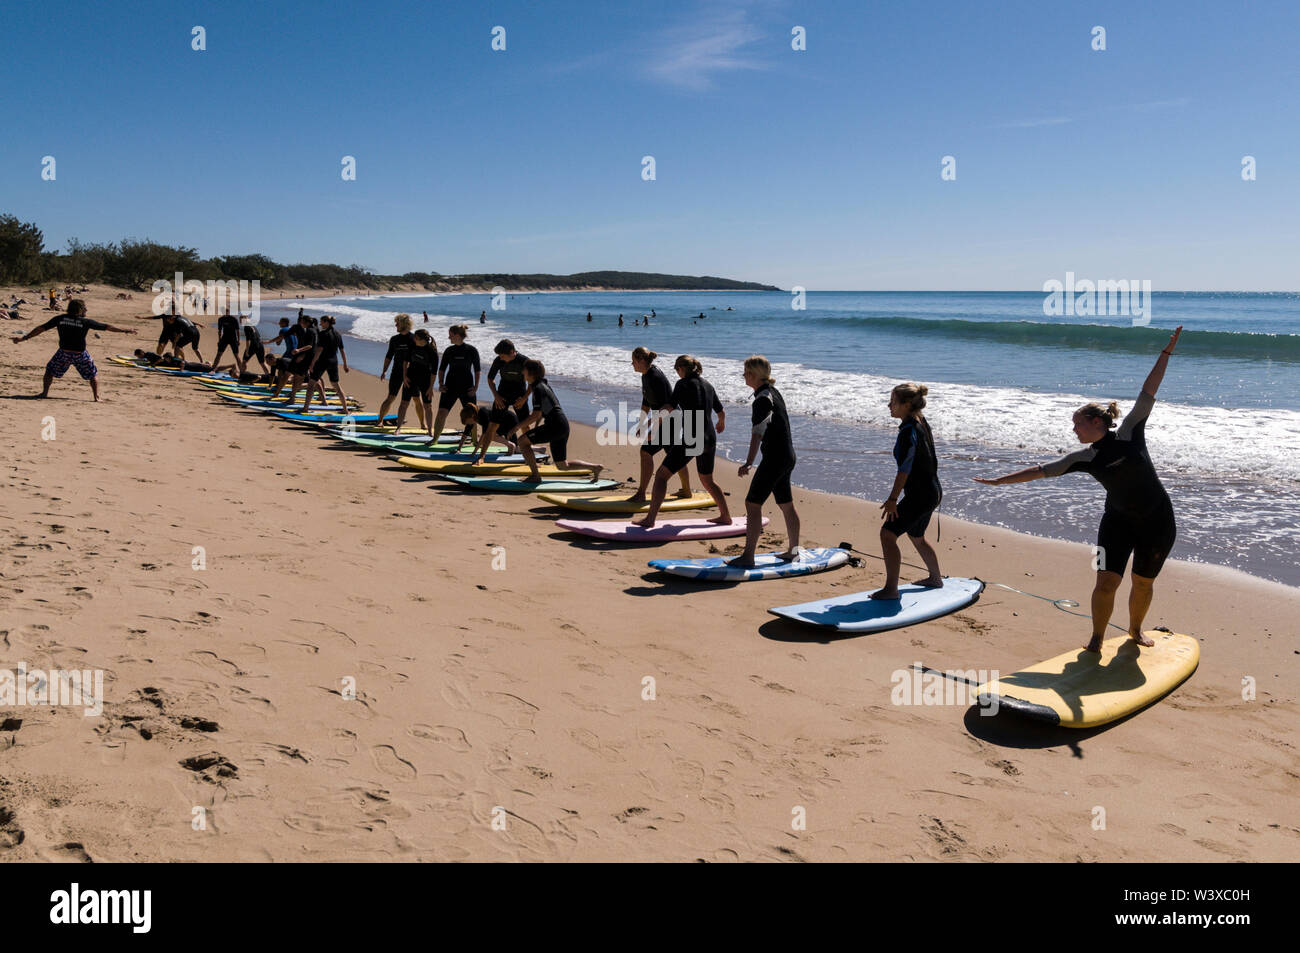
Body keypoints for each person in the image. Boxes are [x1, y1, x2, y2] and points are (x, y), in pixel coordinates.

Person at [974, 327, 1183, 652]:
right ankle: (1097, 638)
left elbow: (1148, 390)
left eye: (1078, 425)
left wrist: (1166, 353)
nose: (1074, 430)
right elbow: (1042, 471)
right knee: (1105, 582)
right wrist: (1001, 481)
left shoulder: (1129, 432)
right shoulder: (1084, 458)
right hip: (1115, 523)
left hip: (1157, 521)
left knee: (1143, 583)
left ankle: (1135, 630)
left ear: (1097, 423)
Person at [633, 355, 729, 529]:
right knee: (707, 480)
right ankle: (725, 516)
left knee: (662, 476)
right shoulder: (708, 385)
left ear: (682, 369)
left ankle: (650, 519)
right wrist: (721, 423)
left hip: (693, 438)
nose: (676, 373)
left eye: (676, 370)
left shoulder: (682, 384)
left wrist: (651, 428)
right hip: (710, 438)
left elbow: (668, 408)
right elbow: (721, 412)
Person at [871, 382, 943, 600]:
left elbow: (905, 469)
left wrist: (893, 498)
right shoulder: (920, 422)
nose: (888, 406)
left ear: (906, 404)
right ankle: (935, 578)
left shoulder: (908, 431)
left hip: (922, 495)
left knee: (888, 535)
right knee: (916, 536)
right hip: (933, 491)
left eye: (893, 402)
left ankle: (891, 590)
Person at [730, 356, 800, 566]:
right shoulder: (773, 392)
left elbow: (757, 433)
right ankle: (793, 551)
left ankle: (748, 556)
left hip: (776, 459)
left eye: (745, 372)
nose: (743, 376)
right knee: (786, 504)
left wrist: (748, 462)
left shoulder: (762, 399)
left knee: (752, 504)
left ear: (752, 375)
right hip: (787, 456)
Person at [12, 299, 137, 400]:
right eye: (85, 308)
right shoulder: (85, 321)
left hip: (63, 353)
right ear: (80, 309)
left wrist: (24, 338)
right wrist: (125, 330)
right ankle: (96, 397)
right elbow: (106, 327)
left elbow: (41, 328)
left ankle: (44, 393)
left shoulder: (60, 319)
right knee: (93, 374)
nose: (86, 310)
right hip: (80, 354)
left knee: (49, 371)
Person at [509, 360, 604, 483]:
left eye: (524, 370)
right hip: (562, 424)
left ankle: (535, 476)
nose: (522, 372)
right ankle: (594, 467)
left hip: (555, 425)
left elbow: (536, 414)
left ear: (531, 372)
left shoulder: (538, 388)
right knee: (562, 465)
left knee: (522, 441)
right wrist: (537, 426)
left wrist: (516, 427)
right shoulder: (543, 385)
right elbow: (543, 411)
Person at [629, 347, 693, 503]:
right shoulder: (646, 375)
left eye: (634, 361)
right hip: (667, 419)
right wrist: (641, 423)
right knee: (674, 455)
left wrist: (652, 429)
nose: (632, 364)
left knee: (646, 451)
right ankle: (686, 490)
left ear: (642, 360)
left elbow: (667, 407)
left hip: (670, 419)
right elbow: (647, 401)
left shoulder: (655, 377)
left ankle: (641, 493)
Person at [473, 339, 531, 463]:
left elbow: (533, 381)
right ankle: (481, 457)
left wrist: (525, 398)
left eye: (503, 356)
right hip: (502, 395)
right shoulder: (498, 360)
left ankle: (530, 457)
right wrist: (496, 396)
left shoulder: (524, 361)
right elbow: (490, 379)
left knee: (525, 426)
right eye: (499, 356)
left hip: (519, 397)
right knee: (492, 425)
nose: (501, 358)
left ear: (511, 352)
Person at [431, 323, 480, 441]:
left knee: (472, 416)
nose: (449, 338)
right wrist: (441, 384)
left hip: (467, 388)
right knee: (442, 413)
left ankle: (474, 441)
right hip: (450, 387)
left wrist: (475, 387)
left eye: (451, 335)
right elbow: (442, 369)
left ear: (458, 335)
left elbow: (477, 370)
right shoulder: (449, 350)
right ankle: (435, 439)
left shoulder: (471, 350)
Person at [378, 313, 423, 430]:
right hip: (396, 372)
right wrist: (384, 371)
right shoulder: (394, 339)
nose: (395, 325)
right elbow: (389, 356)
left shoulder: (414, 339)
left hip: (412, 374)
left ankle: (423, 424)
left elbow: (420, 356)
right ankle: (380, 420)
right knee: (391, 397)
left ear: (403, 324)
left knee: (416, 399)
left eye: (397, 323)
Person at [301, 315, 350, 412]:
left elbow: (319, 350)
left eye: (321, 322)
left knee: (311, 384)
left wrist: (312, 363)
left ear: (326, 322)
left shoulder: (323, 334)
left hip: (322, 361)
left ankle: (305, 408)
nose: (320, 324)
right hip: (333, 361)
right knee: (336, 386)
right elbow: (342, 351)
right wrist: (345, 364)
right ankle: (345, 410)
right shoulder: (338, 334)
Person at [395, 329, 438, 433]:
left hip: (425, 380)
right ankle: (398, 428)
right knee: (404, 403)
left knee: (427, 406)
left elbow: (434, 373)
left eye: (416, 338)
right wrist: (404, 376)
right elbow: (405, 362)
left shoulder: (431, 351)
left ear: (423, 340)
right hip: (410, 378)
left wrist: (431, 388)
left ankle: (429, 430)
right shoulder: (412, 346)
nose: (414, 339)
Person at [211, 307, 243, 373]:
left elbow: (237, 330)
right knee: (219, 354)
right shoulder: (221, 319)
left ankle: (242, 371)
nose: (226, 313)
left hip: (233, 338)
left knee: (236, 355)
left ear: (229, 312)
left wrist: (239, 340)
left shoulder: (233, 319)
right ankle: (213, 369)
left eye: (227, 311)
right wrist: (219, 340)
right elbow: (219, 331)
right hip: (224, 338)